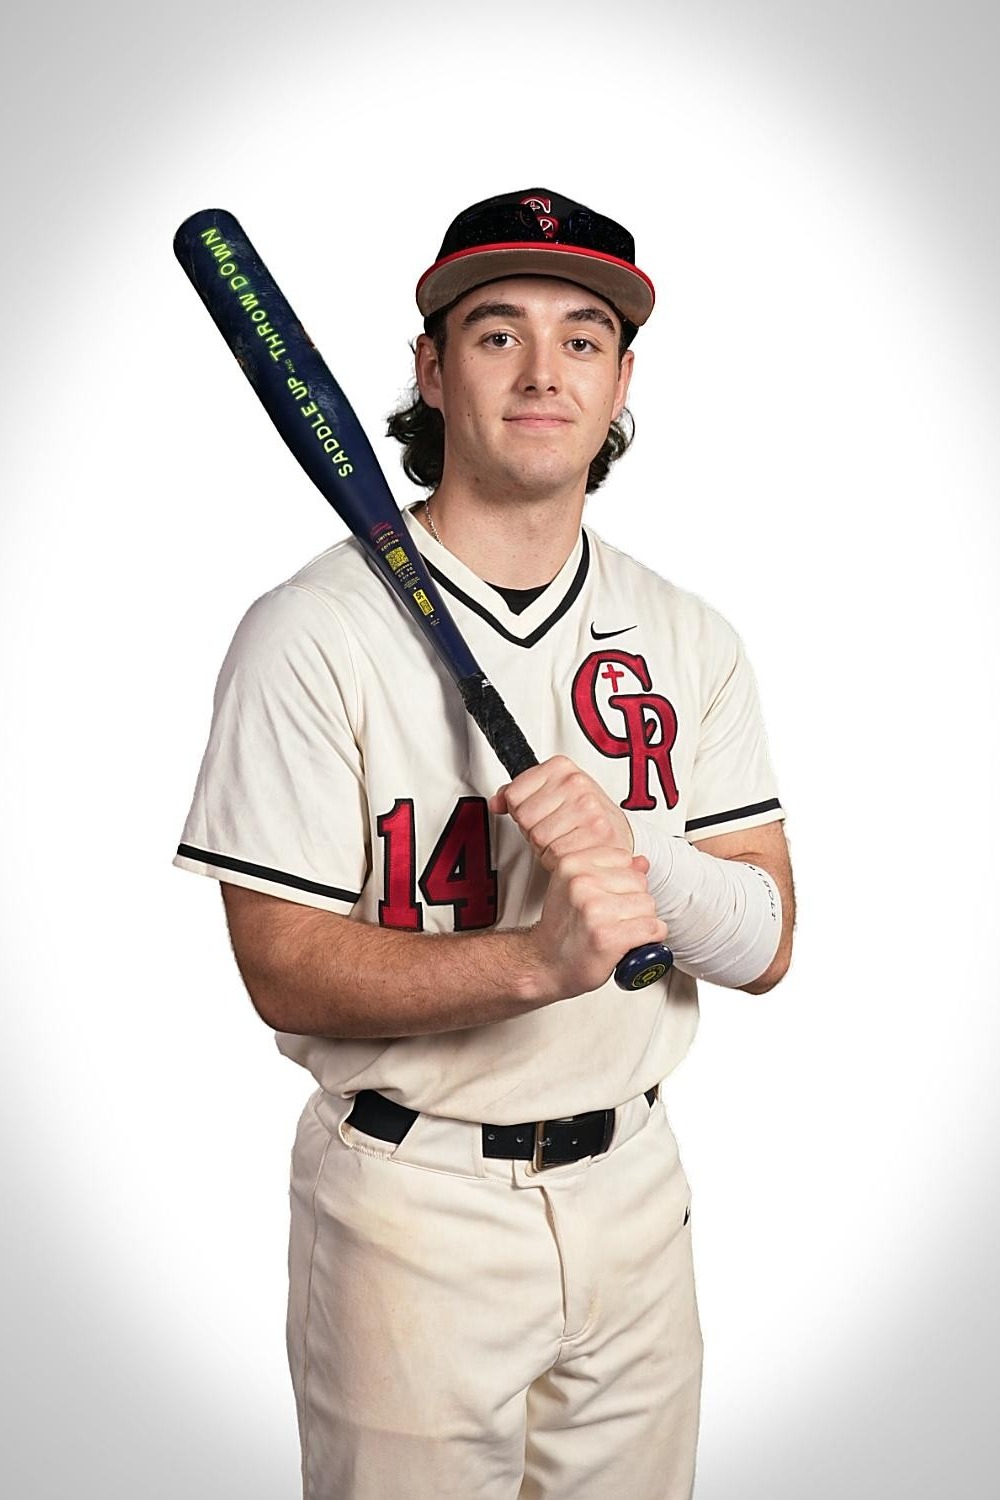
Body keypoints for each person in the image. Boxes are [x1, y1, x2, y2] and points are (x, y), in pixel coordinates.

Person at [174, 187, 794, 1500]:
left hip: (637, 1194)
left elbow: (768, 940)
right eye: (496, 331)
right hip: (412, 1211)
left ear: (621, 380)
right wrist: (539, 960)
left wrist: (641, 856)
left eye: (581, 337)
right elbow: (280, 967)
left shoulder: (690, 634)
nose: (541, 368)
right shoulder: (310, 630)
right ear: (432, 369)